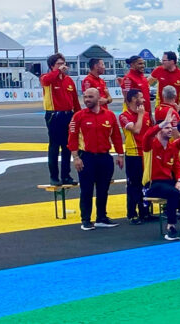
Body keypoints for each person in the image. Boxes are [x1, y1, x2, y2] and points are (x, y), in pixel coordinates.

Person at [141, 117, 180, 239]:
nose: (170, 129)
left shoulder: (172, 148)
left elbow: (177, 168)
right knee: (173, 193)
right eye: (166, 127)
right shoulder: (150, 146)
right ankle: (171, 226)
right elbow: (147, 136)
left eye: (171, 127)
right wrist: (161, 123)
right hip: (153, 184)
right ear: (159, 130)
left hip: (169, 182)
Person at [69, 88, 124, 230]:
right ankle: (86, 220)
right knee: (86, 190)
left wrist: (120, 154)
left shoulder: (110, 115)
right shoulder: (78, 116)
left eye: (90, 97)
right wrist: (75, 158)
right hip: (86, 158)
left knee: (103, 189)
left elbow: (116, 136)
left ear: (98, 98)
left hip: (104, 158)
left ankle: (101, 217)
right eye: (85, 97)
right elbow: (72, 138)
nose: (87, 99)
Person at [41, 53, 80, 185]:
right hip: (54, 115)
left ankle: (66, 175)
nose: (62, 66)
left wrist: (78, 115)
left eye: (63, 63)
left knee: (67, 146)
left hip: (68, 115)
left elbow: (74, 99)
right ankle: (54, 176)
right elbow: (46, 81)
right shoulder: (47, 78)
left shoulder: (68, 80)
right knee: (54, 146)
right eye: (58, 64)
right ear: (52, 66)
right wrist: (57, 72)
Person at [119, 89, 154, 224]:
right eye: (141, 97)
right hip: (133, 154)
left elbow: (150, 133)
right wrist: (140, 115)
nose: (144, 99)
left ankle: (145, 212)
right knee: (134, 185)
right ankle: (132, 214)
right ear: (134, 99)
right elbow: (137, 130)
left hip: (146, 153)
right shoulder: (124, 115)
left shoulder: (146, 114)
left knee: (146, 183)